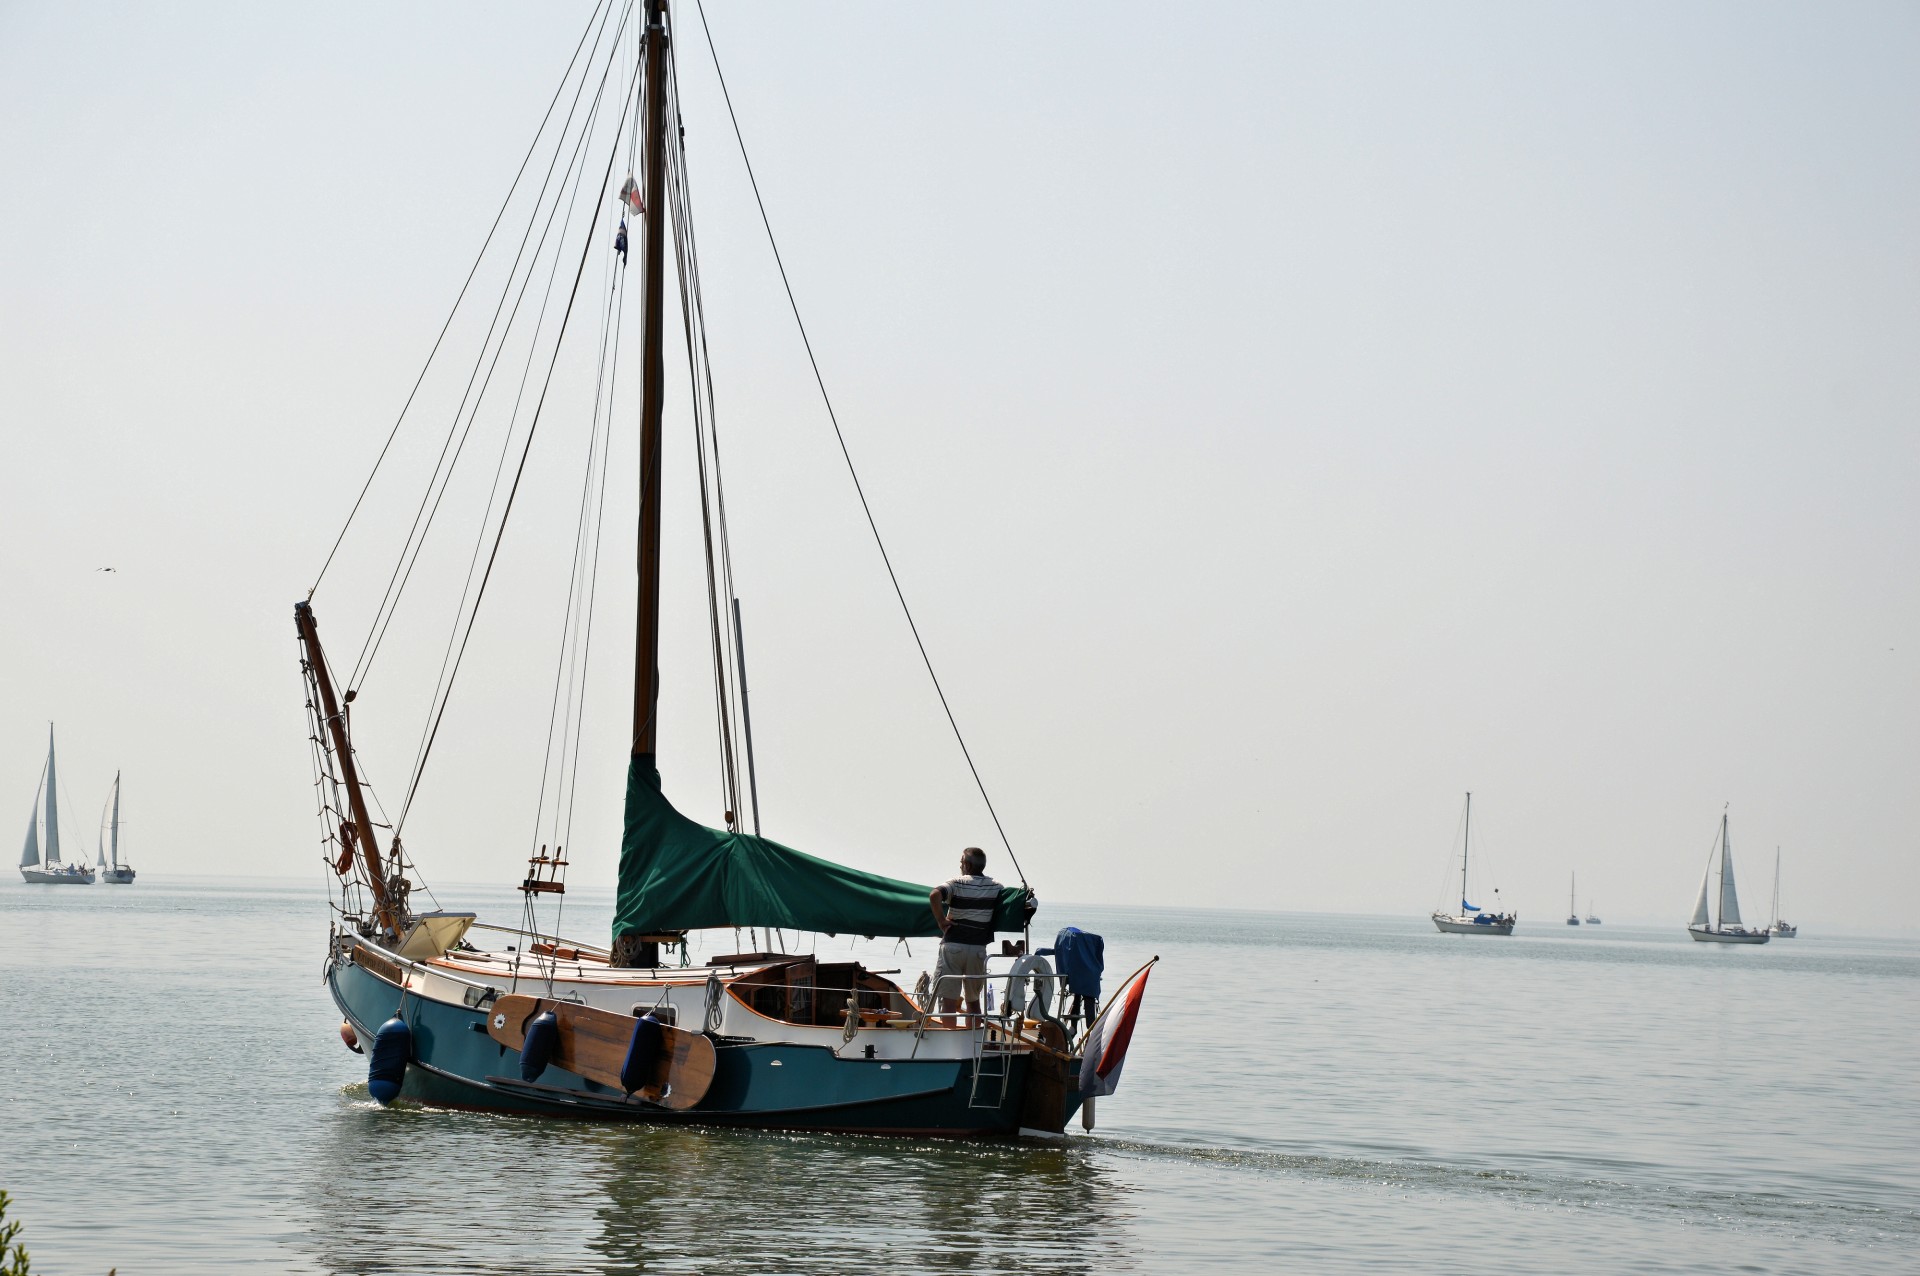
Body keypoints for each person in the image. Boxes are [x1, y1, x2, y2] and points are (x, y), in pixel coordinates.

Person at [928, 847, 1001, 1027]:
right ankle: (973, 1040)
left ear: (967, 865)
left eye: (962, 862)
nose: (960, 866)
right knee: (973, 1000)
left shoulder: (956, 882)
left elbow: (934, 895)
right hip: (977, 949)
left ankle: (949, 1037)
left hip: (953, 947)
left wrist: (941, 921)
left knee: (949, 1000)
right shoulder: (996, 887)